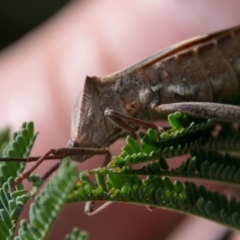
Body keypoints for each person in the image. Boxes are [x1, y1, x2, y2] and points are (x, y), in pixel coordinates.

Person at [0, 1, 240, 239]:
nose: (77, 153)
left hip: (192, 72)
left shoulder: (98, 117)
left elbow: (111, 114)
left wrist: (153, 131)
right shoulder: (101, 146)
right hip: (173, 97)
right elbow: (92, 197)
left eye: (74, 147)